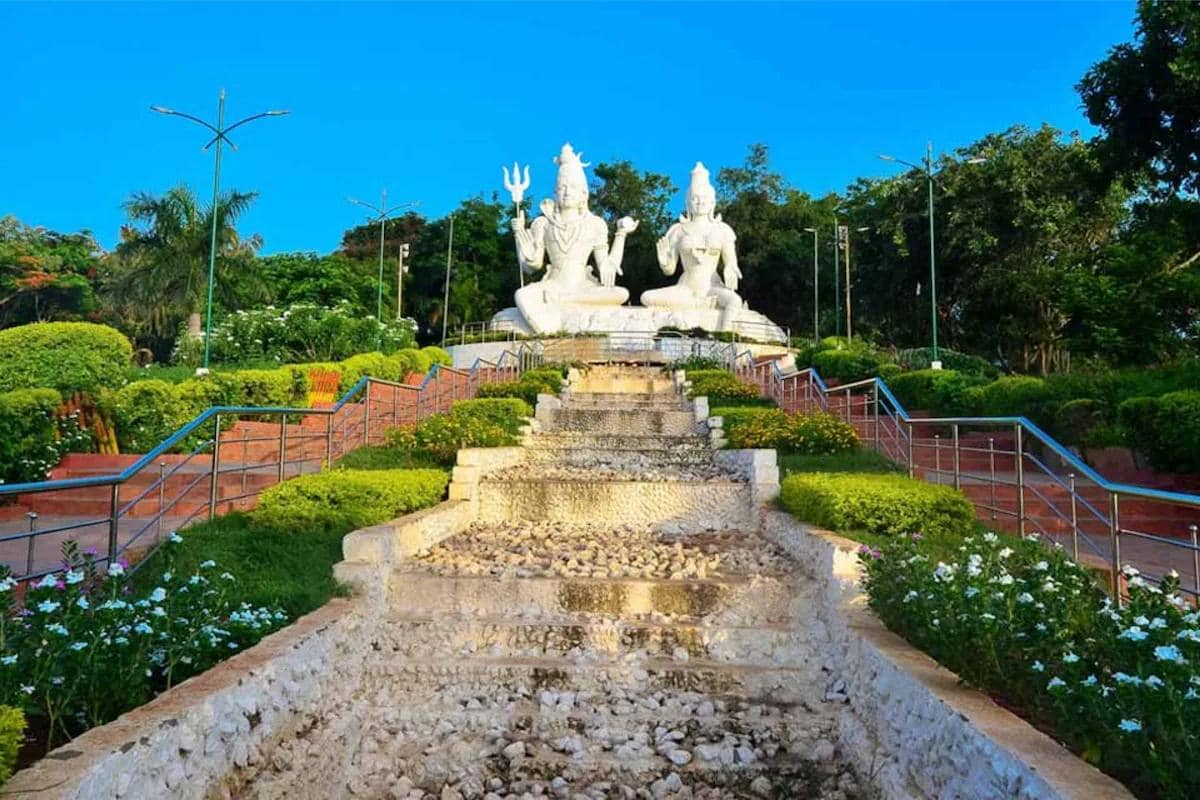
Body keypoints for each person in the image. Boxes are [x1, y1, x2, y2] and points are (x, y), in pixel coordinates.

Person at [510, 143, 637, 333]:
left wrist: (621, 234)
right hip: (552, 286)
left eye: (573, 187)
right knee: (522, 294)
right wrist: (519, 234)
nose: (567, 192)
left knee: (620, 293)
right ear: (555, 192)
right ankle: (553, 317)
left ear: (583, 193)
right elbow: (532, 265)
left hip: (583, 287)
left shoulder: (595, 224)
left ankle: (563, 303)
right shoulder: (543, 223)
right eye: (562, 188)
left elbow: (606, 268)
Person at [641, 162, 744, 330]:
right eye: (695, 199)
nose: (700, 202)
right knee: (647, 297)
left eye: (704, 199)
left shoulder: (723, 230)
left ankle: (724, 335)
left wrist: (730, 268)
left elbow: (731, 261)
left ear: (712, 202)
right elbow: (670, 270)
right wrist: (664, 262)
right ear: (688, 203)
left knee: (735, 301)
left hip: (712, 288)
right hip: (686, 289)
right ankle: (692, 309)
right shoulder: (678, 230)